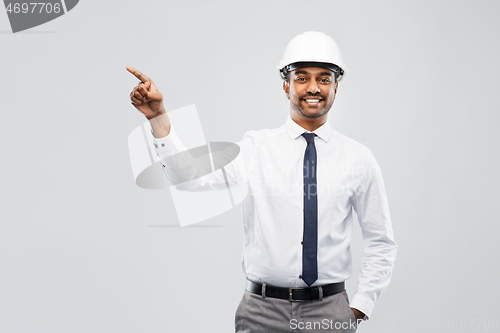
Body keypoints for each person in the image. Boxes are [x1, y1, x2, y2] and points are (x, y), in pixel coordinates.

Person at [127, 31, 397, 333]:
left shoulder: (359, 158)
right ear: (286, 85)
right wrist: (158, 117)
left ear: (336, 86)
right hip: (261, 313)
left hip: (330, 310)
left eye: (324, 78)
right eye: (301, 77)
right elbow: (190, 177)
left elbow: (381, 241)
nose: (313, 87)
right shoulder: (255, 148)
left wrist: (359, 308)